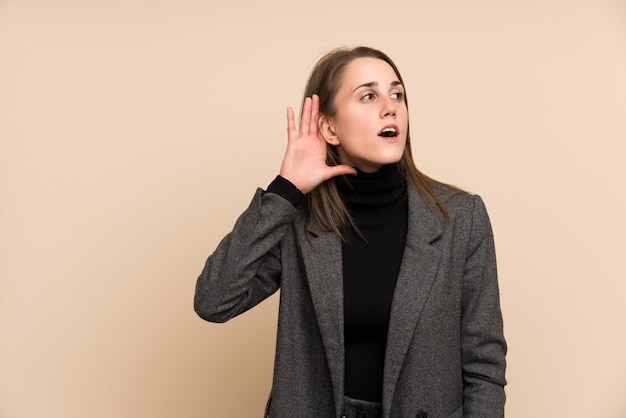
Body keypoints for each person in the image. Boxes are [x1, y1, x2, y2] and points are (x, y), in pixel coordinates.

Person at [194, 46, 507, 418]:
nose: (390, 107)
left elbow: (484, 365)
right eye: (369, 96)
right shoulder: (296, 218)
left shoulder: (461, 216)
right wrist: (286, 189)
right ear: (329, 127)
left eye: (397, 94)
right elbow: (214, 301)